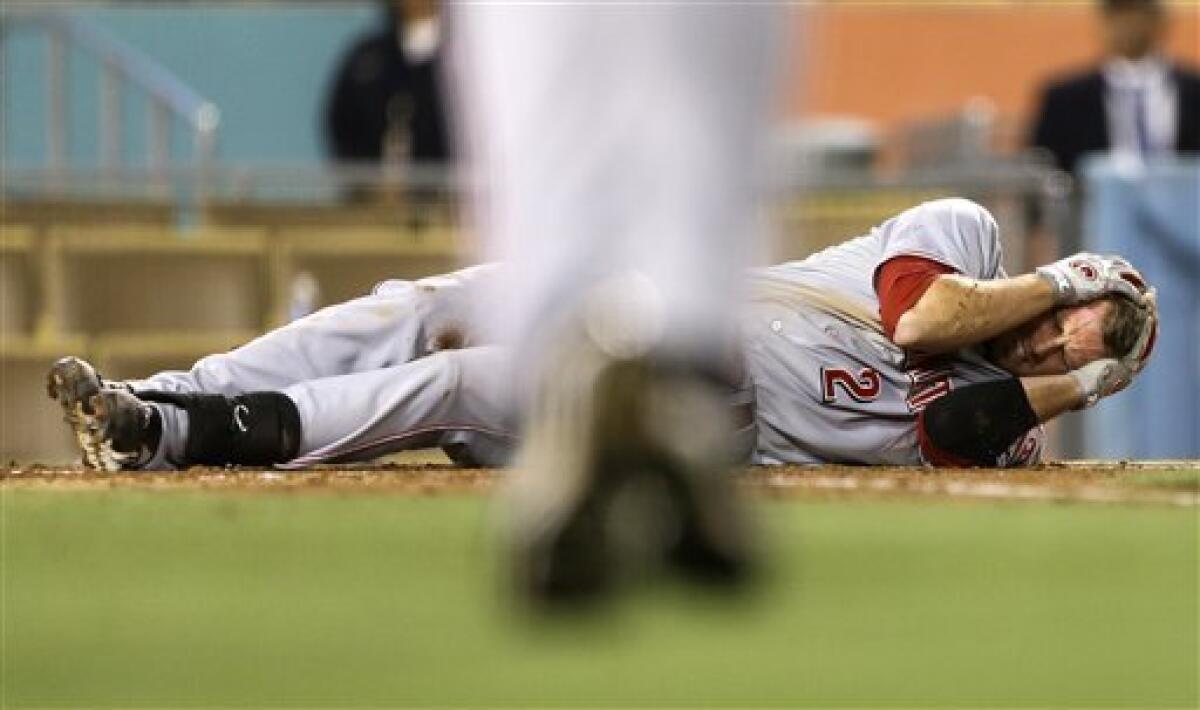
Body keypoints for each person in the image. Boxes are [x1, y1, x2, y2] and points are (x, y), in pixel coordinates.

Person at [48, 199, 1155, 474]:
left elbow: (958, 423)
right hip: (667, 306)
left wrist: (1077, 389)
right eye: (1069, 322)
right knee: (426, 300)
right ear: (1058, 283)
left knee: (460, 381)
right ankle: (165, 393)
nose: (1058, 346)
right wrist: (1054, 278)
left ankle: (175, 436)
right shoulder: (966, 236)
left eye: (1082, 354)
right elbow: (923, 315)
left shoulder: (1014, 429)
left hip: (702, 417)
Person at [1028, 0, 1200, 177]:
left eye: (1137, 13)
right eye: (1116, 14)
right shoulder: (1064, 99)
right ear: (1101, 23)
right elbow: (1042, 172)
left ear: (1161, 20)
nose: (1127, 24)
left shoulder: (1194, 92)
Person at [324, 0, 449, 174]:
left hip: (446, 189)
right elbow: (342, 123)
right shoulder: (368, 58)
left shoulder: (461, 61)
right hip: (375, 190)